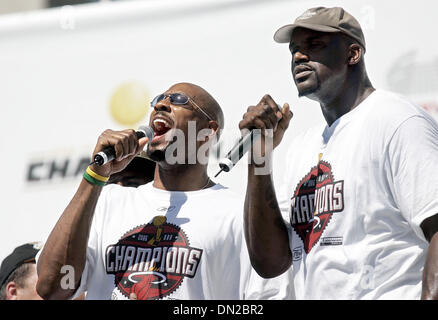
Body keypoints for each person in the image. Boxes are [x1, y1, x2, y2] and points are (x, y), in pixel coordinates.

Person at [239, 6, 438, 299]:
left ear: (353, 54)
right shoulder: (303, 147)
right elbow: (270, 263)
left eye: (314, 45)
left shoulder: (397, 120)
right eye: (294, 50)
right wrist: (260, 156)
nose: (298, 56)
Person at [36, 82, 293, 300]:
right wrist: (95, 175)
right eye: (159, 99)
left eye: (179, 100)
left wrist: (261, 153)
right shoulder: (110, 202)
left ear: (209, 130)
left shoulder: (237, 214)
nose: (161, 105)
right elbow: (52, 286)